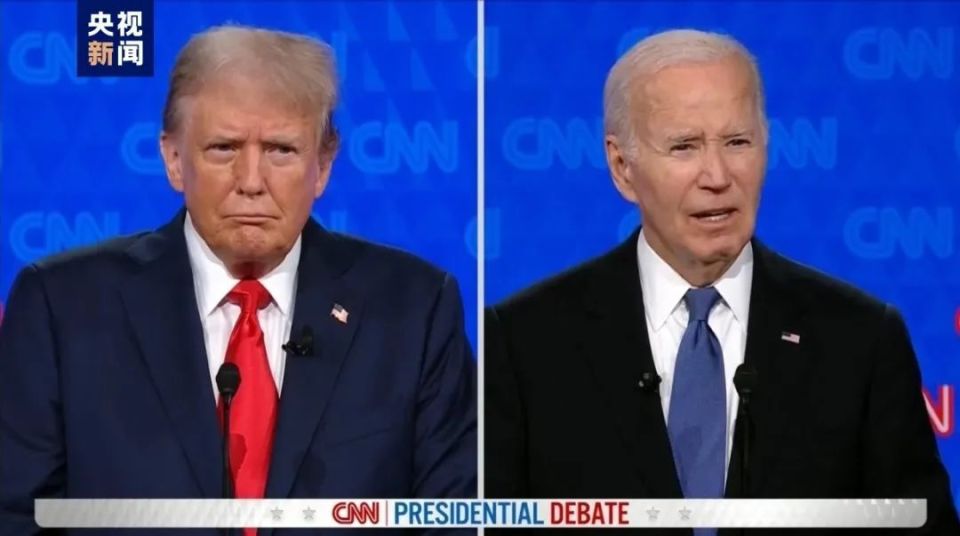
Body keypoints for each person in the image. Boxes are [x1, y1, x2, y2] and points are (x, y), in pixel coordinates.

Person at [0, 25, 476, 534]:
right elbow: (17, 516)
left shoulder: (414, 310)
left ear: (322, 166)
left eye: (281, 150)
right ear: (174, 159)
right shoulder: (62, 307)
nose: (251, 182)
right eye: (224, 148)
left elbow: (450, 518)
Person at [484, 29, 957, 534]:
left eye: (737, 142)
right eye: (684, 147)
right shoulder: (525, 341)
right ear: (622, 168)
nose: (717, 176)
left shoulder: (860, 339)